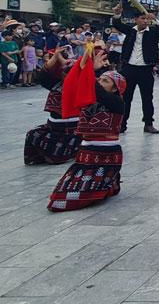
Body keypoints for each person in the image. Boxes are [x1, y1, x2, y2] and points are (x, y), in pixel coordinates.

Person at [47, 49, 127, 212]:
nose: (99, 81)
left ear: (115, 89)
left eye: (105, 81)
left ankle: (109, 181)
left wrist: (91, 69)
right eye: (100, 78)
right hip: (84, 154)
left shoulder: (116, 102)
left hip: (106, 155)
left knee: (73, 197)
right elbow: (72, 79)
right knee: (59, 196)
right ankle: (110, 182)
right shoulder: (88, 96)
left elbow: (93, 87)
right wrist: (62, 61)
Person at [111, 4, 159, 134]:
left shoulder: (152, 32)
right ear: (136, 19)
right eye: (142, 18)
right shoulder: (130, 30)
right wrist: (117, 14)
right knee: (126, 98)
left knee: (147, 98)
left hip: (145, 69)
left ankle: (148, 123)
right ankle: (122, 124)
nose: (145, 21)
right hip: (129, 68)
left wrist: (156, 20)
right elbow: (117, 24)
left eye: (147, 19)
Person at [24, 49, 81, 164]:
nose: (66, 74)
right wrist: (55, 57)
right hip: (54, 127)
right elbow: (42, 76)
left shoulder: (83, 86)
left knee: (58, 148)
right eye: (64, 72)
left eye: (70, 72)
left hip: (71, 130)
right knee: (32, 134)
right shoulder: (56, 84)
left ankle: (64, 153)